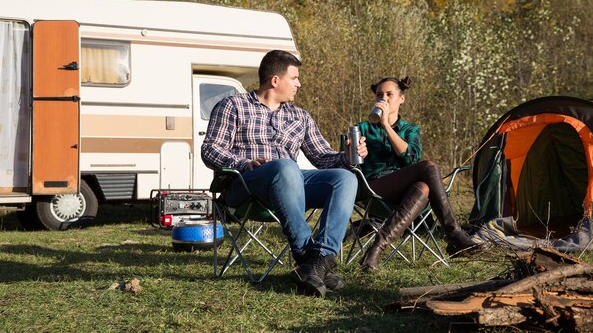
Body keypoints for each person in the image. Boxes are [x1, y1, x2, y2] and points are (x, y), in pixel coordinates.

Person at [201, 49, 367, 297]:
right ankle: (304, 254)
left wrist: (347, 156)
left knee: (344, 178)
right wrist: (243, 162)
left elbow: (322, 158)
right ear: (275, 80)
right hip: (247, 185)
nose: (299, 84)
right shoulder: (233, 105)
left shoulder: (300, 116)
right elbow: (210, 150)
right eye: (294, 78)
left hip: (291, 186)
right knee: (286, 166)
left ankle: (319, 260)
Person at [357, 76, 484, 271]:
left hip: (405, 197)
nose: (383, 99)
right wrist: (355, 150)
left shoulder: (410, 130)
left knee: (423, 187)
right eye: (379, 95)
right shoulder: (363, 128)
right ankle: (454, 234)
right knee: (428, 167)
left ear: (401, 99)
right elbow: (349, 161)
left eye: (389, 94)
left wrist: (387, 127)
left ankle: (375, 249)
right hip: (373, 189)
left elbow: (409, 159)